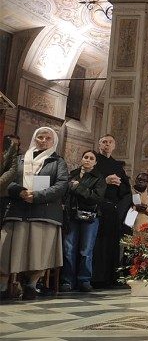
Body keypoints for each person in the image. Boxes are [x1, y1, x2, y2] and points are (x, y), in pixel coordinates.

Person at [0, 127, 68, 300]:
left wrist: (37, 196)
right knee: (9, 250)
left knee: (39, 251)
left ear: (54, 142)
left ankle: (31, 284)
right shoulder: (20, 159)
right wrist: (20, 192)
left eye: (47, 138)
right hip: (18, 210)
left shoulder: (58, 162)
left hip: (44, 212)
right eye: (40, 137)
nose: (43, 140)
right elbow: (8, 181)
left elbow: (61, 185)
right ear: (34, 138)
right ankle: (3, 285)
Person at [61, 150, 105, 293]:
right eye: (85, 157)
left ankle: (84, 280)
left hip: (90, 217)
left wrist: (78, 187)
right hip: (72, 215)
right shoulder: (72, 174)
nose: (88, 160)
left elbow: (97, 197)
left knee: (86, 250)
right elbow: (65, 193)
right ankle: (68, 281)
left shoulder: (98, 177)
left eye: (91, 158)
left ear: (95, 162)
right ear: (81, 159)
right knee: (69, 249)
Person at [91, 134, 131, 288]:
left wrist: (119, 183)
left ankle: (110, 277)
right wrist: (105, 181)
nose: (107, 145)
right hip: (97, 208)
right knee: (96, 243)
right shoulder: (93, 161)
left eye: (110, 142)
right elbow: (87, 181)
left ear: (114, 146)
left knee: (111, 244)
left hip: (113, 210)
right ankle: (95, 277)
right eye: (104, 142)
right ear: (99, 144)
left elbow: (126, 190)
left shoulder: (117, 166)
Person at [1, 135, 20, 223]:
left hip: (6, 195)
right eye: (12, 143)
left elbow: (11, 171)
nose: (14, 146)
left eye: (16, 144)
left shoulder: (20, 159)